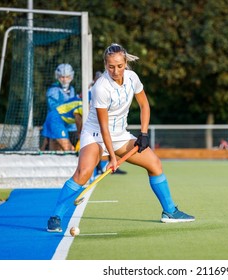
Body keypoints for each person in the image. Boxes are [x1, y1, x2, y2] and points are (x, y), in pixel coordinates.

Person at [47, 43, 194, 232]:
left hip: (120, 135)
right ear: (105, 65)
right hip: (95, 134)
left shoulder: (132, 78)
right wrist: (113, 158)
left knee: (155, 164)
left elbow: (144, 106)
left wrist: (143, 134)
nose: (115, 71)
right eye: (110, 67)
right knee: (83, 173)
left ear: (125, 63)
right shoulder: (101, 87)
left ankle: (169, 211)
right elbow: (103, 127)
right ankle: (56, 217)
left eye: (119, 66)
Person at [41, 64, 78, 151]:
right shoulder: (53, 90)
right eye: (62, 77)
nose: (65, 80)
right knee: (60, 149)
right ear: (57, 76)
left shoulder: (72, 89)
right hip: (57, 124)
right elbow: (54, 108)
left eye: (67, 77)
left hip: (71, 126)